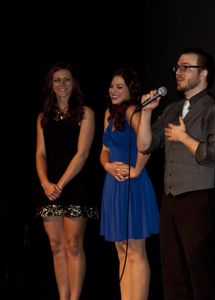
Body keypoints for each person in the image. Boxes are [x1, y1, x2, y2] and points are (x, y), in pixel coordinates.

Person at [137, 48, 215, 300]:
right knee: (172, 272)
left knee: (200, 273)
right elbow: (145, 144)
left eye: (185, 67)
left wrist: (184, 138)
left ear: (203, 74)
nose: (178, 73)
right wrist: (147, 112)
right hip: (171, 201)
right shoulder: (171, 110)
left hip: (199, 201)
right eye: (176, 68)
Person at [35, 62, 97, 300]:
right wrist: (45, 183)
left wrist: (60, 184)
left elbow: (82, 154)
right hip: (49, 187)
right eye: (57, 80)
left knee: (73, 245)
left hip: (75, 186)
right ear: (50, 85)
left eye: (67, 79)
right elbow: (39, 154)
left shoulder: (85, 113)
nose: (62, 85)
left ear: (75, 83)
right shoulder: (43, 117)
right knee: (56, 246)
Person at [100, 67, 160, 300]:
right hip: (113, 184)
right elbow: (104, 151)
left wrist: (137, 170)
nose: (113, 91)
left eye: (119, 87)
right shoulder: (109, 113)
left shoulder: (133, 110)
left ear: (130, 90)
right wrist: (107, 166)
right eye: (112, 86)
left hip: (132, 186)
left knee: (136, 251)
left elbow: (146, 143)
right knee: (121, 251)